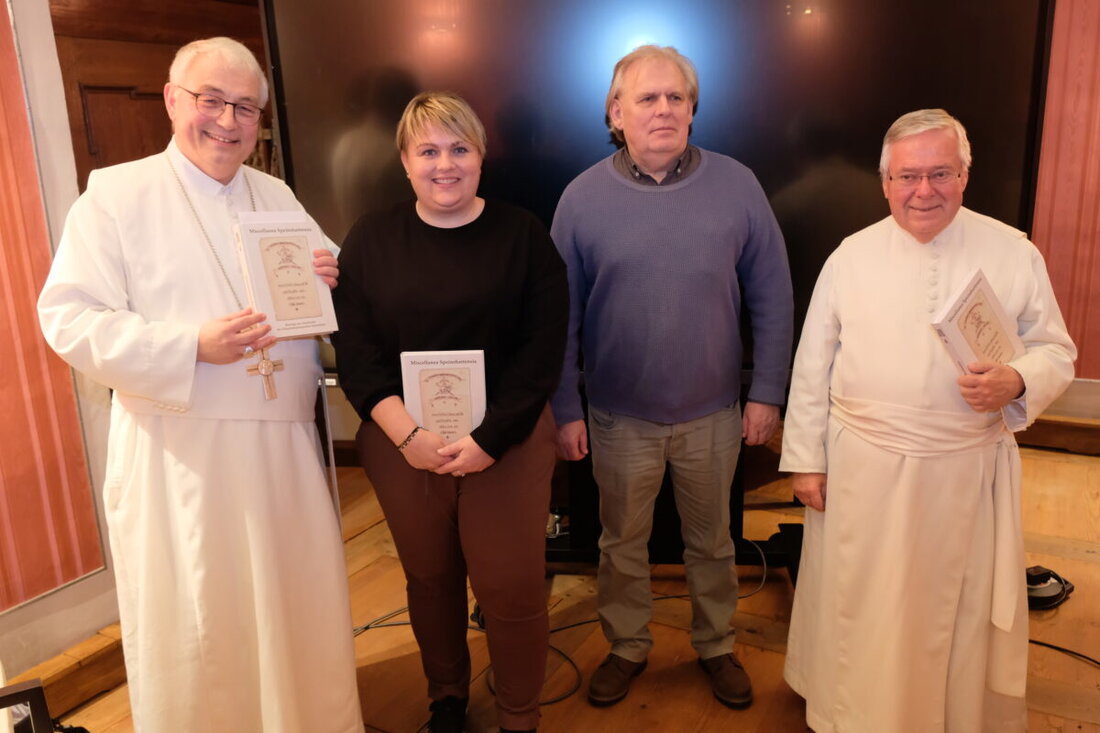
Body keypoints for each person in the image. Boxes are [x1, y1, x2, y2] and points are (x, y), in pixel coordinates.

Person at [37, 37, 362, 733]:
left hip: (281, 452)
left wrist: (332, 278)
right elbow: (65, 317)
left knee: (290, 610)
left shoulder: (274, 193)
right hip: (180, 457)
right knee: (205, 624)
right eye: (210, 100)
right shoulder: (116, 196)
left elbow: (327, 284)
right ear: (171, 100)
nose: (227, 119)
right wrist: (189, 346)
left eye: (245, 106)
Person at [780, 108, 1076, 732]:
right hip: (862, 467)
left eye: (940, 173)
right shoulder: (850, 256)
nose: (923, 191)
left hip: (962, 471)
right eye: (907, 176)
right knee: (862, 604)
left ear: (965, 175)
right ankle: (852, 713)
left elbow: (1056, 350)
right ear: (884, 181)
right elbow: (812, 364)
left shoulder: (1012, 251)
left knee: (951, 611)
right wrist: (805, 459)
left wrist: (1017, 379)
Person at [551, 45, 794, 709]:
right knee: (620, 543)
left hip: (713, 413)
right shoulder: (579, 199)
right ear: (615, 112)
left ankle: (716, 643)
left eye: (675, 97)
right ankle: (628, 645)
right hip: (616, 416)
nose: (663, 109)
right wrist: (565, 409)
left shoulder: (738, 185)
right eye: (647, 98)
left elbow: (774, 294)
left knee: (713, 542)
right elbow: (558, 317)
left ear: (692, 109)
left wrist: (766, 393)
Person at [331, 91, 568, 733]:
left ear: (481, 158)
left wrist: (490, 437)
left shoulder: (524, 236)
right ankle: (446, 699)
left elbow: (541, 352)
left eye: (459, 149)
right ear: (405, 162)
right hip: (402, 443)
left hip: (507, 442)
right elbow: (356, 353)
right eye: (428, 150)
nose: (445, 164)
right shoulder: (370, 240)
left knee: (511, 586)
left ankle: (519, 713)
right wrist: (406, 435)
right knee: (430, 577)